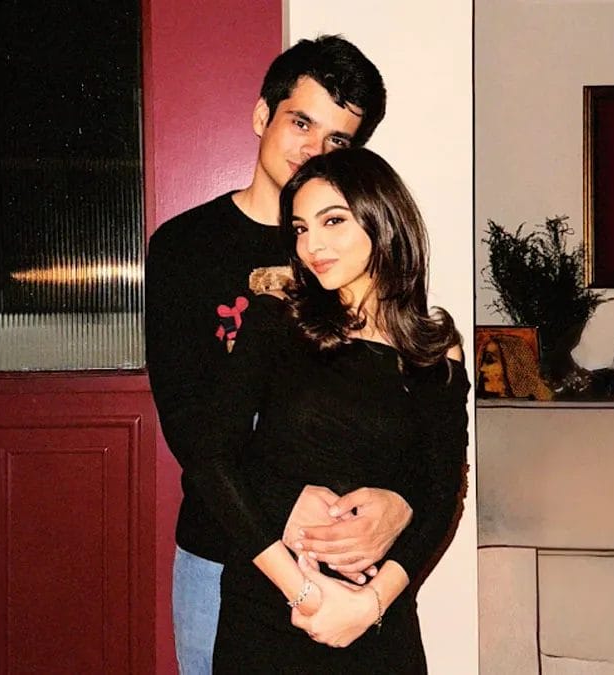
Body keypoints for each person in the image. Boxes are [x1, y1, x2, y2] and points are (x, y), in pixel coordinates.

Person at [145, 35, 413, 673]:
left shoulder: (353, 249)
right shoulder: (186, 246)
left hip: (344, 559)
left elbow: (407, 410)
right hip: (220, 546)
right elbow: (184, 413)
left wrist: (399, 506)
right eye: (301, 123)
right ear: (263, 115)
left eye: (338, 139)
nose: (315, 150)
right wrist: (281, 499)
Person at [191, 147, 469, 673]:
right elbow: (211, 458)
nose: (311, 245)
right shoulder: (278, 321)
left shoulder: (434, 349)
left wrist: (370, 603)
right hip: (271, 605)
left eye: (333, 221)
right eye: (300, 228)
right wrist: (304, 593)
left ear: (383, 219)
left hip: (379, 616)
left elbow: (440, 490)